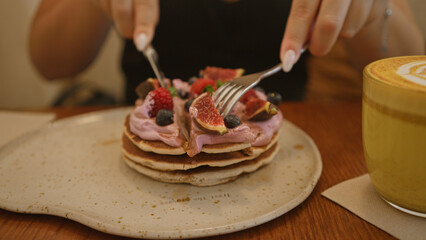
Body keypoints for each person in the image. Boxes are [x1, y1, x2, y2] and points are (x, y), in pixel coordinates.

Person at [29, 0, 424, 104]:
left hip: (284, 147)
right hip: (137, 146)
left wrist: (372, 15)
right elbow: (49, 62)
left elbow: (414, 69)